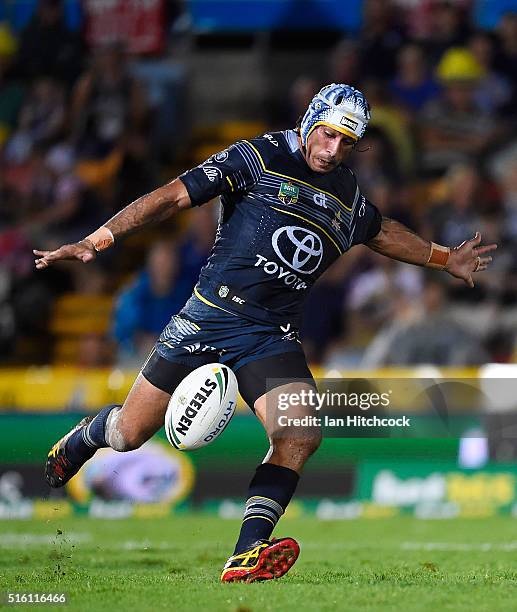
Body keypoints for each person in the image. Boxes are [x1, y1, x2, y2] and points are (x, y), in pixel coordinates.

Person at [34, 83, 496, 582]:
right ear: (310, 120)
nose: (333, 149)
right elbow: (172, 197)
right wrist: (99, 238)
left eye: (347, 142)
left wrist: (445, 258)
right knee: (130, 433)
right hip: (208, 315)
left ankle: (248, 550)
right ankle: (87, 435)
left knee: (300, 434)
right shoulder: (258, 157)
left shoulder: (347, 196)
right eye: (327, 134)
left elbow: (383, 231)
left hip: (269, 335)